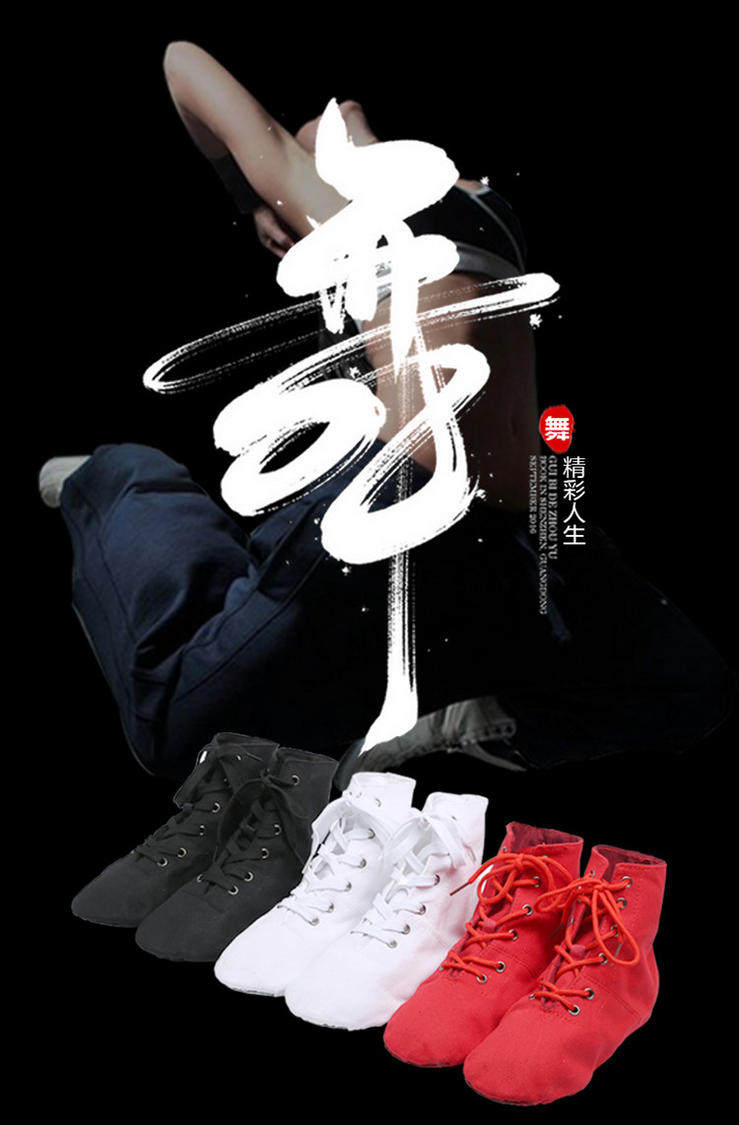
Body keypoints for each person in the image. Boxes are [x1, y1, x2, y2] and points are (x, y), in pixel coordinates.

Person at [39, 45, 733, 783]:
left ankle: (458, 719)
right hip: (415, 509)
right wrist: (264, 190)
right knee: (186, 736)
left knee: (688, 689)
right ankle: (125, 480)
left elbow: (226, 81)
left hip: (520, 525)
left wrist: (254, 191)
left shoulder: (410, 196)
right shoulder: (396, 203)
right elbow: (212, 72)